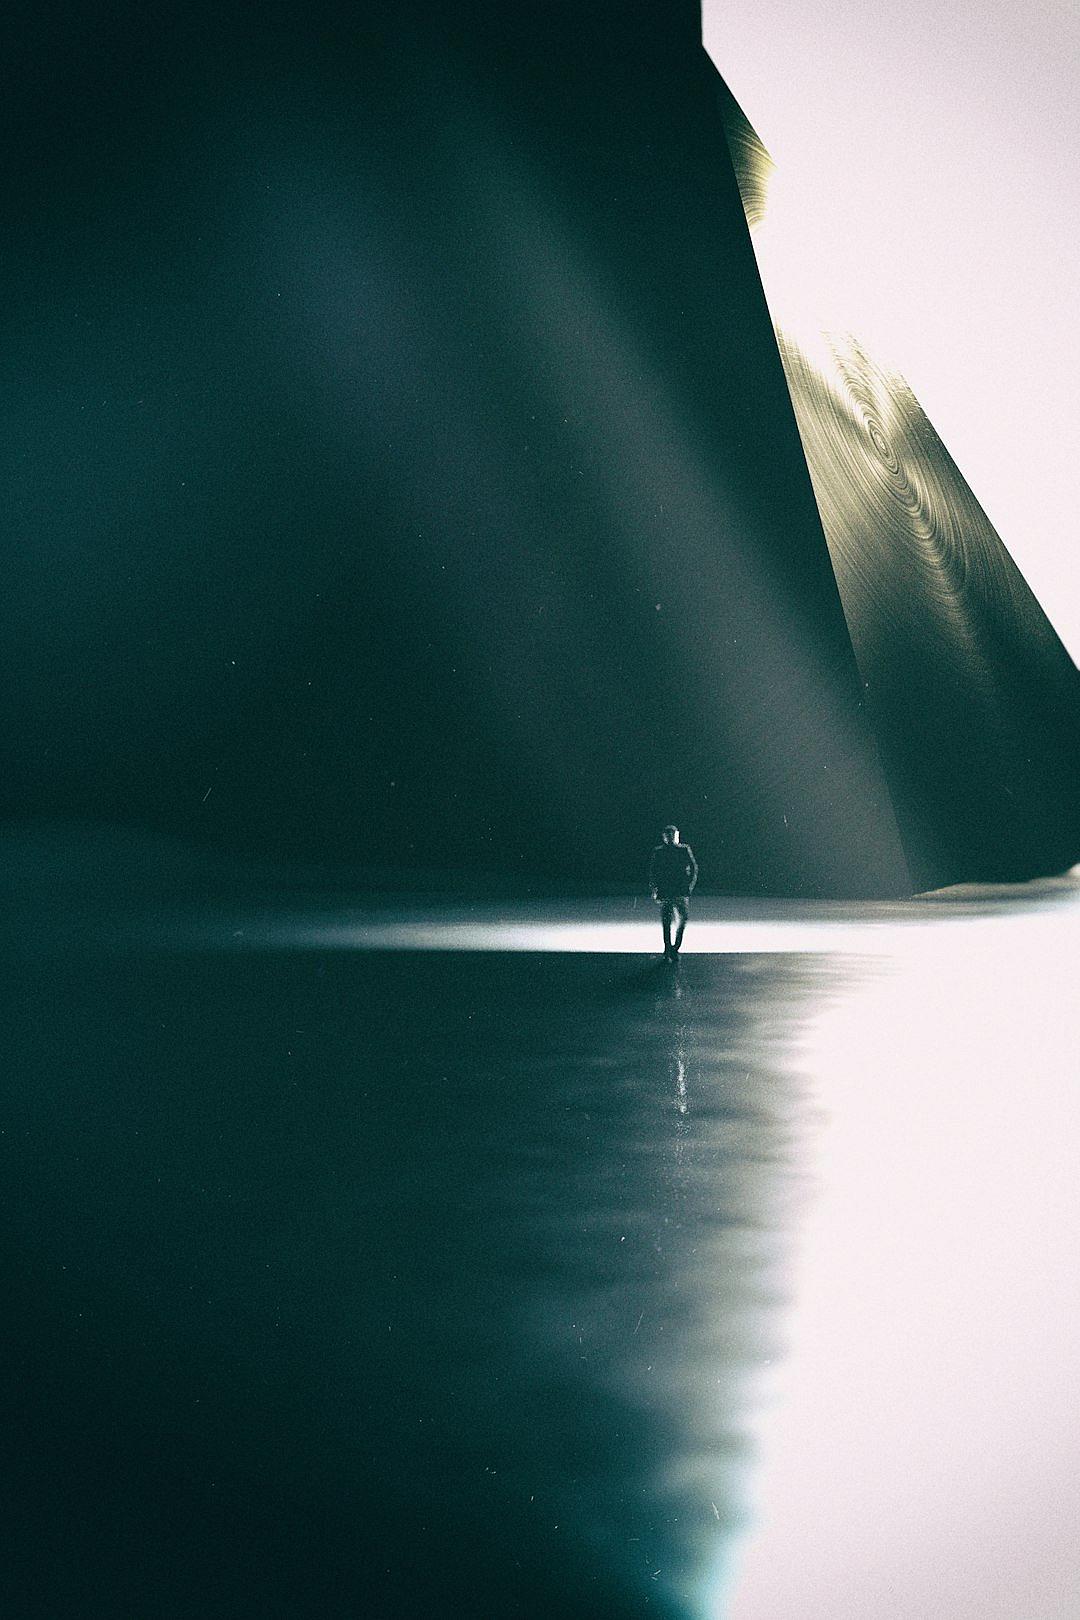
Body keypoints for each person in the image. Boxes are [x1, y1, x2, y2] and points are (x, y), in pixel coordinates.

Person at [648, 825, 698, 959]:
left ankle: (674, 947)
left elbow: (693, 868)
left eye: (673, 835)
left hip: (678, 891)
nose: (670, 837)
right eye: (668, 835)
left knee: (681, 919)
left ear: (677, 835)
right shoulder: (659, 851)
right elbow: (653, 872)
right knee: (667, 921)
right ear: (664, 837)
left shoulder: (683, 849)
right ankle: (668, 948)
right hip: (667, 891)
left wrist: (689, 885)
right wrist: (655, 889)